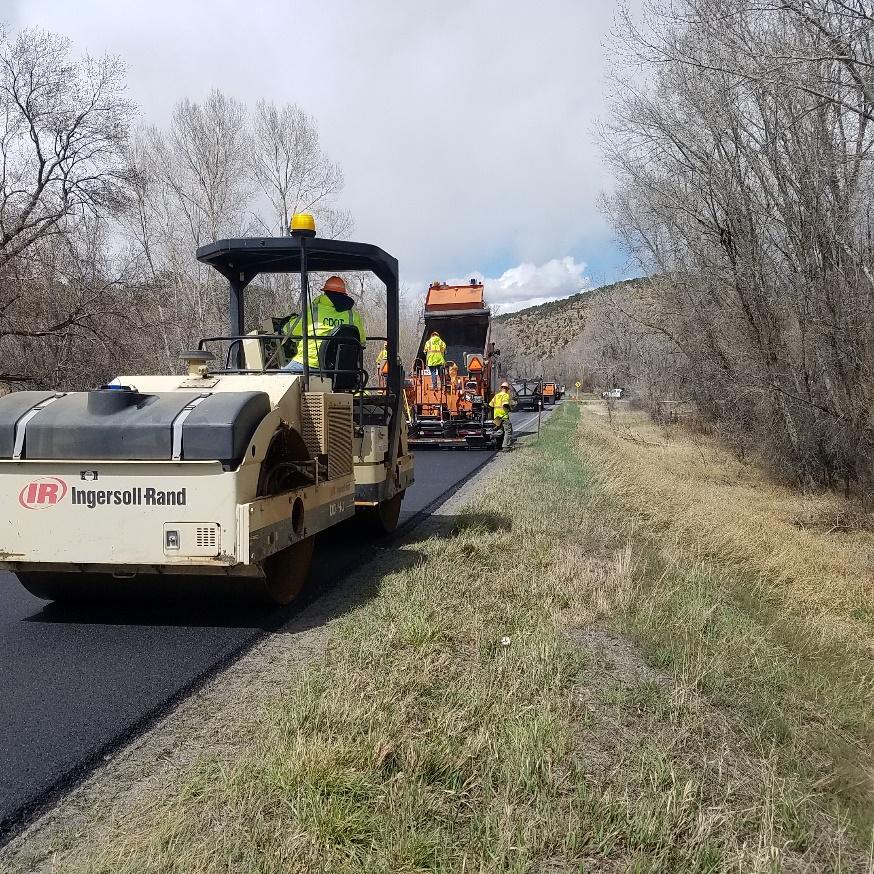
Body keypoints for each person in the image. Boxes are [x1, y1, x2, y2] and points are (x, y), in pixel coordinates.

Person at [282, 275, 365, 373]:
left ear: (325, 292)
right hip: (340, 370)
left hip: (309, 363)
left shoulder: (313, 310)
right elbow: (362, 342)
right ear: (344, 294)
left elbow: (288, 331)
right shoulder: (353, 315)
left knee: (278, 381)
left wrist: (292, 319)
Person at [490, 381, 514, 451]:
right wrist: (510, 408)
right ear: (507, 389)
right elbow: (505, 404)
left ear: (501, 388)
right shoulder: (505, 395)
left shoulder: (496, 395)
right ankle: (505, 446)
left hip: (496, 417)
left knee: (500, 430)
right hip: (503, 416)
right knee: (508, 431)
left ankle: (493, 435)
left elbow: (491, 405)